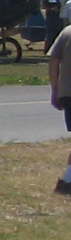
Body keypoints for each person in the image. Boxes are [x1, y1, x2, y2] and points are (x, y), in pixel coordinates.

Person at [51, 18, 71, 197]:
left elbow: (54, 61)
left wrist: (55, 89)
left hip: (67, 92)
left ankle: (67, 180)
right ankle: (67, 180)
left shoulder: (66, 32)